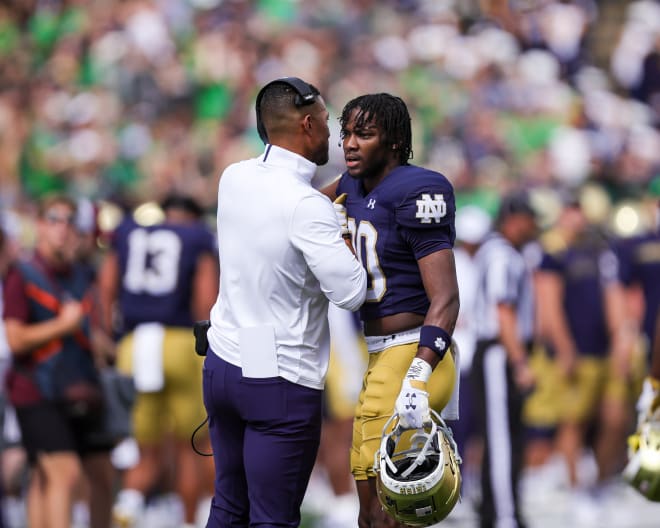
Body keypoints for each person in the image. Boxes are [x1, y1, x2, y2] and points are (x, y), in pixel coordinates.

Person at [203, 77, 367, 527]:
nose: (333, 134)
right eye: (328, 122)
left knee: (229, 505)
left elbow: (285, 210)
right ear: (309, 125)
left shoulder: (234, 177)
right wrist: (346, 236)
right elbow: (350, 292)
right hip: (279, 378)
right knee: (273, 518)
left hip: (223, 362)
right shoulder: (305, 207)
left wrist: (336, 190)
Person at [322, 93, 460, 528]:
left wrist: (420, 375)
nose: (350, 144)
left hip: (412, 352)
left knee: (389, 509)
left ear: (395, 140)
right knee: (371, 509)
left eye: (364, 134)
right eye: (346, 133)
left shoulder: (419, 189)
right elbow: (296, 210)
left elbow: (447, 298)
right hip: (379, 355)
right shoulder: (349, 185)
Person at [98, 193, 219, 527]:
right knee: (190, 447)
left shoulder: (128, 232)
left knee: (143, 450)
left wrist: (109, 338)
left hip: (135, 346)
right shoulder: (197, 237)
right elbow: (205, 300)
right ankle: (190, 521)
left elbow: (105, 288)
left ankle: (127, 508)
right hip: (180, 341)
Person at [2, 194, 115, 528]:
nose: (62, 229)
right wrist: (61, 326)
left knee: (98, 474)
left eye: (69, 221)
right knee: (64, 474)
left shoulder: (81, 273)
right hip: (36, 388)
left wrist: (101, 346)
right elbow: (15, 338)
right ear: (38, 225)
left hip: (78, 385)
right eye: (54, 219)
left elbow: (91, 327)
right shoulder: (21, 275)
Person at [534, 197, 634, 520]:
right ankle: (576, 491)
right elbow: (548, 304)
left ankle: (602, 486)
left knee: (616, 418)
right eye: (570, 212)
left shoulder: (600, 250)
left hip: (604, 350)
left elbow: (613, 295)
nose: (576, 218)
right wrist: (564, 348)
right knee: (573, 421)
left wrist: (622, 336)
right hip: (577, 352)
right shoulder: (552, 254)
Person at [471, 191, 537, 528]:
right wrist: (520, 361)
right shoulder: (501, 255)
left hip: (499, 352)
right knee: (501, 440)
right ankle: (504, 516)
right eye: (528, 219)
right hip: (498, 353)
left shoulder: (500, 252)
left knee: (504, 437)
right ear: (513, 219)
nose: (533, 226)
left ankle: (493, 512)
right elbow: (503, 309)